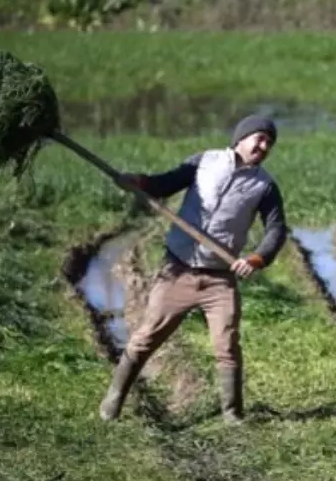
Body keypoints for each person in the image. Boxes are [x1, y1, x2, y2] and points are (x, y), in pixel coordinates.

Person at [98, 114, 288, 424]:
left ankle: (233, 415)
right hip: (178, 271)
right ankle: (114, 399)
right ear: (241, 138)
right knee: (146, 338)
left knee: (227, 344)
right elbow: (165, 183)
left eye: (270, 142)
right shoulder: (204, 162)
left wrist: (256, 259)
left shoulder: (264, 186)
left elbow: (276, 230)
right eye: (260, 138)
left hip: (219, 280)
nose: (264, 146)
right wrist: (140, 181)